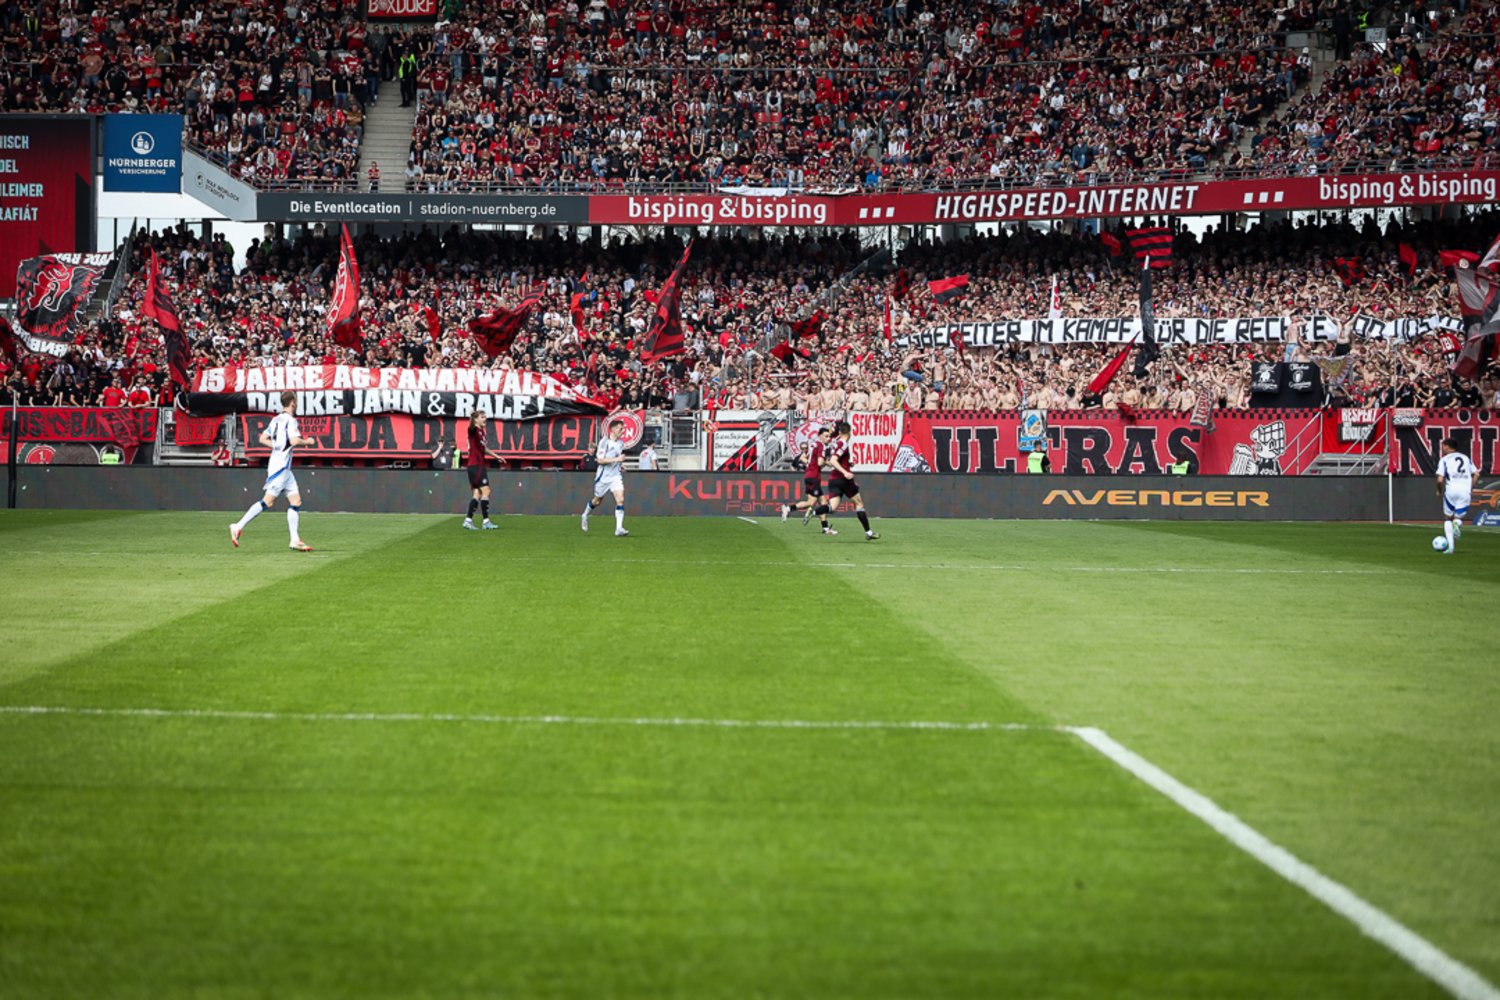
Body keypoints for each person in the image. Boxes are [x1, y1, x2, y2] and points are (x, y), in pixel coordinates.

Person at [230, 390, 315, 552]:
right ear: (292, 402)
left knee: (296, 501)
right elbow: (294, 440)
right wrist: (308, 442)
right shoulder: (291, 420)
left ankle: (294, 539)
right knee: (268, 501)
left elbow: (263, 439)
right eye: (295, 401)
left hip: (282, 467)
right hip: (280, 467)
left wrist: (277, 446)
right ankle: (238, 525)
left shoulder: (276, 419)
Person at [820, 421, 880, 541]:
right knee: (859, 504)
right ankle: (868, 532)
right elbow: (833, 460)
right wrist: (845, 472)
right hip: (843, 479)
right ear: (850, 432)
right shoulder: (843, 444)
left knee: (832, 507)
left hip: (834, 479)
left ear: (840, 432)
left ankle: (813, 511)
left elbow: (834, 459)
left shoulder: (836, 443)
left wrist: (847, 464)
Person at [781, 423, 834, 530]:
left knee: (823, 502)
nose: (828, 438)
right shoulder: (821, 446)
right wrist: (831, 463)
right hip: (814, 477)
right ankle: (788, 509)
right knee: (811, 503)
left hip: (810, 475)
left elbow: (803, 457)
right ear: (819, 436)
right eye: (826, 436)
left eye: (829, 436)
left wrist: (813, 463)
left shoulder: (813, 444)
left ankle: (825, 528)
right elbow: (819, 463)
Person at [582, 419, 629, 536]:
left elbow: (617, 457)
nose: (622, 431)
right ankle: (585, 514)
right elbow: (600, 460)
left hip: (615, 476)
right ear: (613, 429)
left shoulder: (620, 443)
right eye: (620, 429)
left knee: (620, 499)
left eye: (622, 429)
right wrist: (617, 460)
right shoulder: (604, 442)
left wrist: (621, 465)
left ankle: (619, 528)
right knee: (597, 500)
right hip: (603, 476)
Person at [461, 411, 504, 530]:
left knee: (477, 493)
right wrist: (471, 417)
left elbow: (483, 449)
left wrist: (497, 456)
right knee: (486, 490)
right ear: (475, 420)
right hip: (476, 466)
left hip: (475, 466)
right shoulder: (473, 430)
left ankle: (468, 521)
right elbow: (470, 427)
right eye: (482, 417)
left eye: (485, 417)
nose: (485, 419)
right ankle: (486, 522)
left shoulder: (481, 432)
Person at [1436, 436, 1474, 554]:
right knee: (1457, 518)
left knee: (1448, 518)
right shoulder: (1466, 458)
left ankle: (1451, 548)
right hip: (1464, 491)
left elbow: (1440, 480)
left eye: (1443, 446)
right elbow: (1476, 473)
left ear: (1447, 446)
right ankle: (1457, 524)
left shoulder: (1444, 459)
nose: (1442, 448)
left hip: (1451, 490)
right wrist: (1470, 486)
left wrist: (1439, 491)